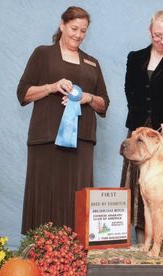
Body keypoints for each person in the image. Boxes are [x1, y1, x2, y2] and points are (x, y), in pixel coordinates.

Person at [17, 6, 109, 234]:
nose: (78, 35)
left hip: (82, 140)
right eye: (74, 28)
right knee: (45, 195)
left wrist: (87, 97)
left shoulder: (92, 63)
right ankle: (41, 251)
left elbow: (104, 103)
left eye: (83, 30)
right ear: (62, 25)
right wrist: (51, 87)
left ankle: (75, 255)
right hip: (45, 139)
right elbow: (23, 93)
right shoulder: (42, 54)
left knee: (77, 198)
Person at [120, 10, 163, 244]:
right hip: (138, 138)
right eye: (157, 35)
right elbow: (129, 92)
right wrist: (139, 130)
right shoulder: (134, 57)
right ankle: (143, 245)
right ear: (149, 31)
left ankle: (162, 248)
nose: (162, 40)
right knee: (139, 196)